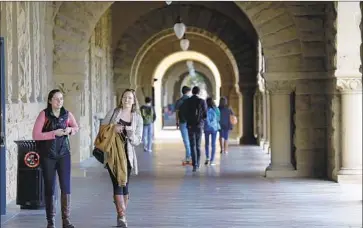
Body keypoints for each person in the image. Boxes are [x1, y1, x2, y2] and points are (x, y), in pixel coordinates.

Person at [32, 89, 79, 228]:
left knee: (66, 185)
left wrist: (70, 130)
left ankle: (66, 220)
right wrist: (54, 133)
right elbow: (36, 135)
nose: (59, 101)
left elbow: (76, 127)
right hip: (48, 155)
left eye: (61, 99)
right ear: (50, 101)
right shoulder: (44, 114)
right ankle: (50, 221)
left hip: (64, 154)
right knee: (49, 186)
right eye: (56, 99)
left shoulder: (67, 114)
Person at [100, 88, 143, 227]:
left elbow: (138, 140)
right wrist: (113, 128)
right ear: (121, 99)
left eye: (130, 98)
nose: (126, 100)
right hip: (112, 154)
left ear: (134, 101)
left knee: (125, 185)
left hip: (128, 155)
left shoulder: (137, 118)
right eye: (125, 97)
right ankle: (122, 217)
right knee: (117, 183)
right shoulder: (113, 113)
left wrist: (130, 134)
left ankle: (122, 216)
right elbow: (102, 129)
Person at [180, 86, 207, 172]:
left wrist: (188, 120)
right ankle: (198, 164)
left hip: (190, 126)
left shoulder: (187, 101)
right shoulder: (202, 101)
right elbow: (205, 115)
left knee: (192, 145)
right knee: (198, 145)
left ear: (192, 92)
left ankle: (194, 165)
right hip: (199, 126)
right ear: (199, 92)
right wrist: (201, 121)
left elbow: (183, 113)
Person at [174, 86, 192, 165]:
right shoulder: (191, 100)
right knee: (191, 139)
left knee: (186, 140)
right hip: (191, 123)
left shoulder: (179, 101)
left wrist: (177, 122)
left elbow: (177, 112)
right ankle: (190, 156)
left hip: (182, 122)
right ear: (188, 92)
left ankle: (188, 157)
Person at [204, 97, 220, 166]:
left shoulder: (205, 109)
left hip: (206, 128)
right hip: (214, 128)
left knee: (207, 143)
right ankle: (212, 160)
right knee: (213, 144)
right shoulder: (216, 109)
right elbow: (219, 119)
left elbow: (203, 118)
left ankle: (207, 157)